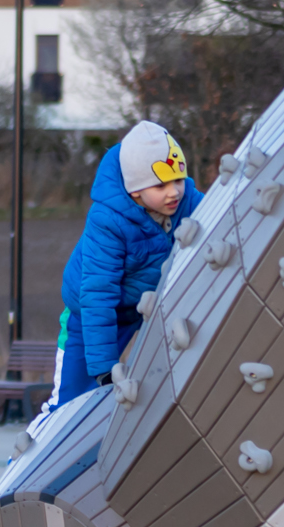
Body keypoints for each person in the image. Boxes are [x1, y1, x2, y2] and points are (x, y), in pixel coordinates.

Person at [52, 120, 200, 408]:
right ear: (135, 191)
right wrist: (105, 369)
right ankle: (35, 450)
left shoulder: (188, 202)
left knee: (152, 392)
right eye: (160, 184)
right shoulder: (108, 220)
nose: (174, 192)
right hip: (90, 314)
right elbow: (97, 292)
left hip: (142, 310)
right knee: (71, 403)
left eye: (178, 180)